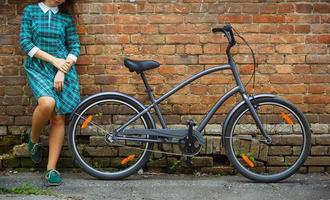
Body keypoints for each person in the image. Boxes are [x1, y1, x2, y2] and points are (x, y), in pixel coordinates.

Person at [19, 0, 81, 186]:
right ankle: (33, 140)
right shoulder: (30, 11)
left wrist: (62, 69)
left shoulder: (65, 17)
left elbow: (75, 46)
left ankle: (51, 169)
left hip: (63, 70)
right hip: (38, 67)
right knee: (47, 103)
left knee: (59, 118)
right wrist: (53, 60)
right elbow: (25, 43)